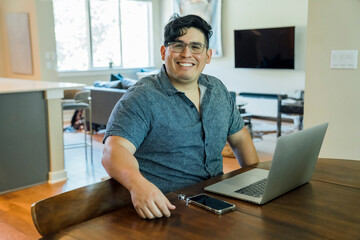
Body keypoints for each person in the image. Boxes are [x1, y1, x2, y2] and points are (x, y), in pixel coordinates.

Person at [101, 14, 259, 220]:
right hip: (166, 209)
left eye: (196, 47)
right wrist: (138, 185)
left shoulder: (218, 90)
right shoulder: (142, 96)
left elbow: (240, 139)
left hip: (216, 203)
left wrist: (257, 181)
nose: (187, 54)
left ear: (208, 55)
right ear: (163, 52)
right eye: (178, 45)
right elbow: (113, 151)